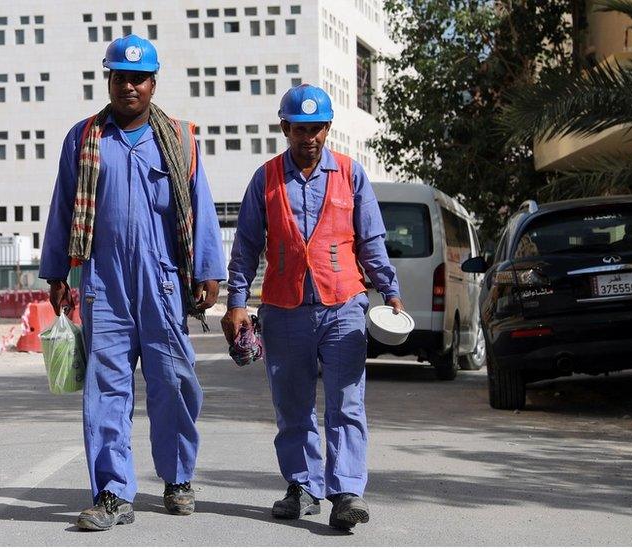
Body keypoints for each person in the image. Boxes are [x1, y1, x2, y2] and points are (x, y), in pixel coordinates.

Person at [40, 34, 226, 531]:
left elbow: (200, 206)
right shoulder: (83, 139)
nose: (129, 86)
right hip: (103, 281)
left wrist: (208, 270)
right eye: (120, 76)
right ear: (109, 79)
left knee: (175, 383)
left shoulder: (180, 139)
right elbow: (63, 208)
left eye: (138, 78)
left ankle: (178, 476)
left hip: (162, 281)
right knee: (106, 390)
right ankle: (113, 492)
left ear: (153, 83)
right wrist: (57, 271)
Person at [221, 84, 403, 531]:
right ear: (285, 128)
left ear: (328, 128)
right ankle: (302, 487)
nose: (310, 138)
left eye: (318, 129)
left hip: (343, 304)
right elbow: (245, 247)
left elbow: (371, 240)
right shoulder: (265, 179)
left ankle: (346, 493)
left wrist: (389, 290)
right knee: (293, 404)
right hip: (284, 309)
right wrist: (237, 302)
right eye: (301, 129)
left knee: (347, 403)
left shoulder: (350, 174)